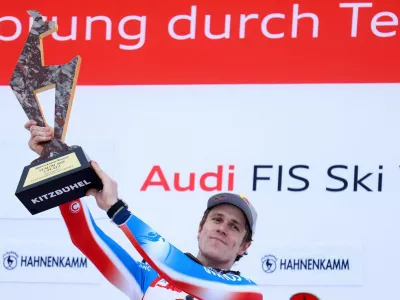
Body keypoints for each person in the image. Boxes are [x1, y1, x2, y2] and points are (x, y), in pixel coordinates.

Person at [24, 119, 259, 299]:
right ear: (200, 228)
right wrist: (56, 166)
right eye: (217, 219)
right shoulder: (149, 275)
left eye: (234, 226)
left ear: (244, 246)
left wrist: (118, 211)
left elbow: (183, 273)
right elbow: (87, 238)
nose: (222, 228)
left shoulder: (246, 292)